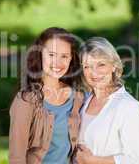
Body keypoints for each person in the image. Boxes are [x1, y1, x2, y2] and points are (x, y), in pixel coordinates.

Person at [9, 27, 83, 164]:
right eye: (51, 55)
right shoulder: (26, 101)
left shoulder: (78, 98)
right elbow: (16, 157)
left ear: (71, 59)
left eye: (64, 56)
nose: (58, 63)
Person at [75, 37, 139, 164]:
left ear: (114, 66)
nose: (94, 73)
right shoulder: (82, 101)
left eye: (101, 65)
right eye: (87, 66)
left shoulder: (129, 107)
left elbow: (136, 160)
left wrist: (92, 160)